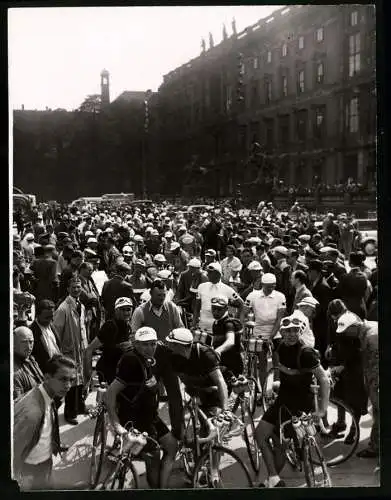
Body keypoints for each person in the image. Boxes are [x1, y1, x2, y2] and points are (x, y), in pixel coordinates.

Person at [255, 316, 330, 488]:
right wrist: (277, 381)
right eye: (287, 331)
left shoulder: (306, 353)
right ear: (281, 332)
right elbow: (280, 369)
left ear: (300, 331)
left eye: (295, 330)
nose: (291, 334)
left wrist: (322, 410)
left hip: (300, 405)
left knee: (281, 444)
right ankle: (273, 478)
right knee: (260, 435)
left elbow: (324, 380)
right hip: (282, 401)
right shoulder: (279, 347)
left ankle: (272, 480)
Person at [104, 327, 178, 489]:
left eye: (153, 344)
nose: (150, 348)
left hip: (150, 416)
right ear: (136, 344)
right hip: (136, 420)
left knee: (172, 445)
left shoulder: (147, 359)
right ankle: (156, 489)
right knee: (154, 456)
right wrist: (116, 425)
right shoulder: (131, 361)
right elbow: (110, 393)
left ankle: (162, 488)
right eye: (145, 345)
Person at [13, 355, 76, 490]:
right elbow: (14, 451)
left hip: (45, 463)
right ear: (47, 377)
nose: (68, 386)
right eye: (63, 379)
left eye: (71, 380)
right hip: (31, 471)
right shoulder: (32, 413)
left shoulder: (49, 395)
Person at [335, 313, 379, 459]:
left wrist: (373, 386)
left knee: (379, 413)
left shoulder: (371, 337)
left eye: (347, 331)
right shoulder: (369, 329)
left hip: (377, 380)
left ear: (354, 327)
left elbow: (375, 367)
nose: (346, 335)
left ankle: (375, 447)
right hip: (373, 377)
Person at [165, 328, 229, 417]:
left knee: (213, 417)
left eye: (171, 344)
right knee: (203, 420)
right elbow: (179, 379)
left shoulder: (205, 354)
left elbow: (220, 381)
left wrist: (225, 409)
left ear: (180, 345)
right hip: (195, 386)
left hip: (213, 387)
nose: (168, 345)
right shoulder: (173, 357)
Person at [52, 277, 88, 424]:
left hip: (80, 349)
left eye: (78, 287)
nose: (76, 290)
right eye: (73, 287)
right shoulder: (63, 308)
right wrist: (60, 353)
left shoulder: (82, 306)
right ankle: (70, 413)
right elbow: (56, 331)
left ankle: (80, 407)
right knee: (70, 384)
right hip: (68, 350)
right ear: (68, 289)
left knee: (80, 380)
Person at [242, 273, 286, 388]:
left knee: (278, 363)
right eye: (267, 286)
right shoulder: (252, 295)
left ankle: (277, 389)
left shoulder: (280, 296)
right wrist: (242, 330)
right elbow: (243, 313)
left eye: (272, 286)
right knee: (262, 363)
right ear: (262, 285)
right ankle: (261, 390)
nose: (270, 289)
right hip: (259, 333)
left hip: (275, 333)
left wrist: (271, 337)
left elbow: (279, 319)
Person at [85, 297, 133, 385]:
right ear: (116, 311)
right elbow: (89, 349)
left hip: (119, 373)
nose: (126, 313)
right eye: (122, 310)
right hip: (107, 374)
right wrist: (88, 376)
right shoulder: (110, 326)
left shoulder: (128, 326)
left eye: (128, 309)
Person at [193, 262, 244, 333]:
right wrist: (193, 324)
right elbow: (197, 308)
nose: (207, 274)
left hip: (219, 330)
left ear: (218, 274)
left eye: (210, 272)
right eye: (208, 272)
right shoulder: (201, 286)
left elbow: (241, 304)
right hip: (202, 327)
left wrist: (237, 322)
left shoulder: (227, 289)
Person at [210, 296, 243, 379]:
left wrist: (218, 351)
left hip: (231, 366)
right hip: (221, 362)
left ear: (226, 309)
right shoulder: (216, 323)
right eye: (214, 308)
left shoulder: (229, 324)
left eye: (219, 309)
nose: (216, 312)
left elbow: (230, 341)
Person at [30, 300, 61, 374]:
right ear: (37, 315)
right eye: (47, 318)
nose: (50, 320)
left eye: (51, 317)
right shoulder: (31, 332)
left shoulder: (52, 326)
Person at [13, 327, 45, 401]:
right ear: (13, 344)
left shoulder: (31, 359)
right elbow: (18, 404)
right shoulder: (14, 371)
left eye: (31, 342)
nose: (28, 346)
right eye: (24, 342)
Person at [79, 262, 102, 342]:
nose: (91, 272)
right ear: (82, 269)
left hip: (92, 309)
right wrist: (93, 297)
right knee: (86, 329)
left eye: (92, 270)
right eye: (89, 270)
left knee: (91, 328)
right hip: (85, 309)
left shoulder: (89, 280)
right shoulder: (78, 280)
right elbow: (86, 297)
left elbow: (96, 294)